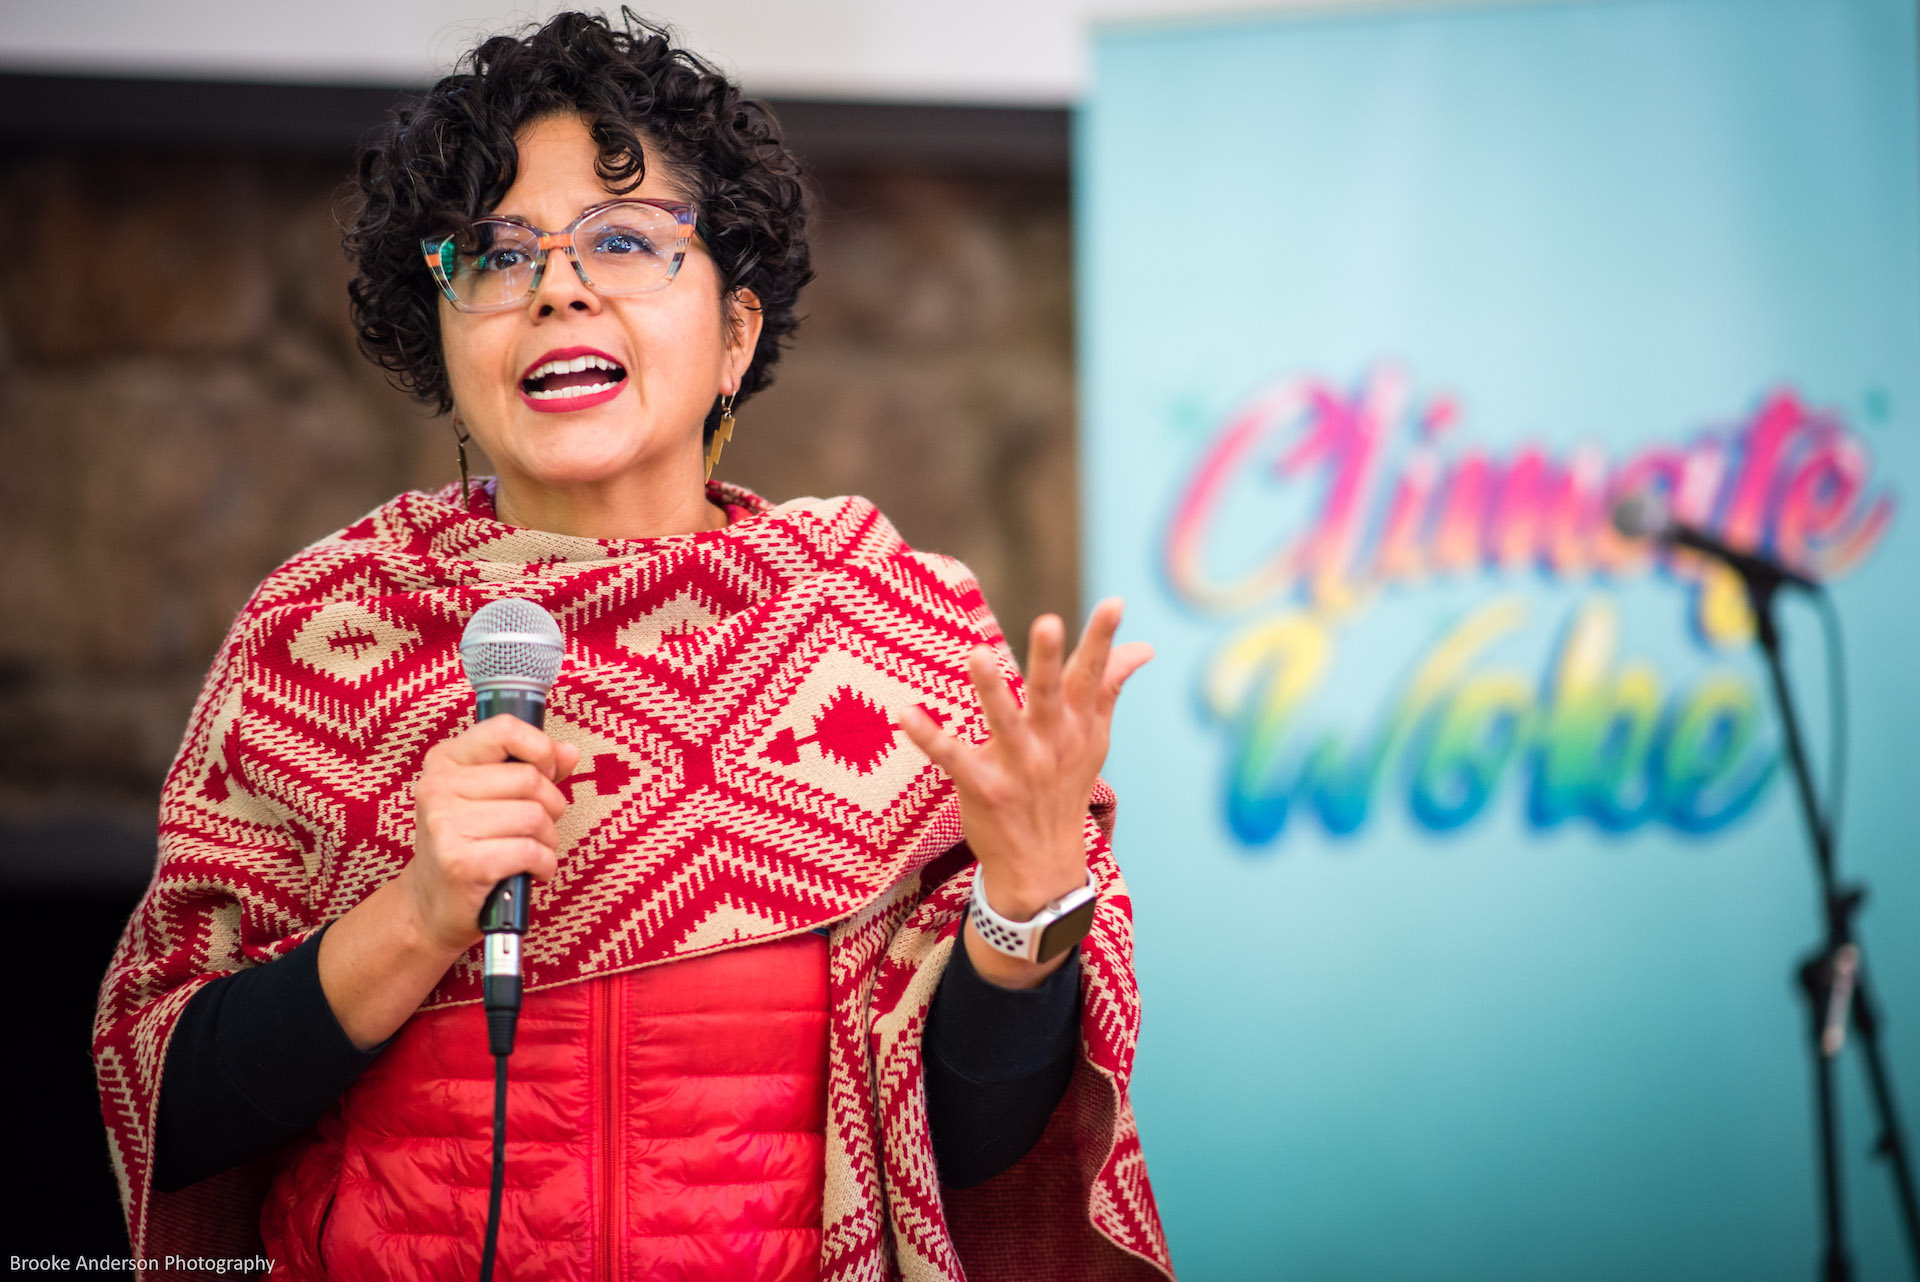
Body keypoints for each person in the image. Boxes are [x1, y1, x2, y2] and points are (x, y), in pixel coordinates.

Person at [92, 13, 1173, 1282]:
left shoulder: (885, 636)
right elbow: (172, 1114)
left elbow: (969, 1152)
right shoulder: (317, 642)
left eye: (625, 241)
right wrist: (418, 915)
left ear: (735, 334)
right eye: (495, 254)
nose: (556, 286)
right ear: (443, 339)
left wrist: (1024, 900)